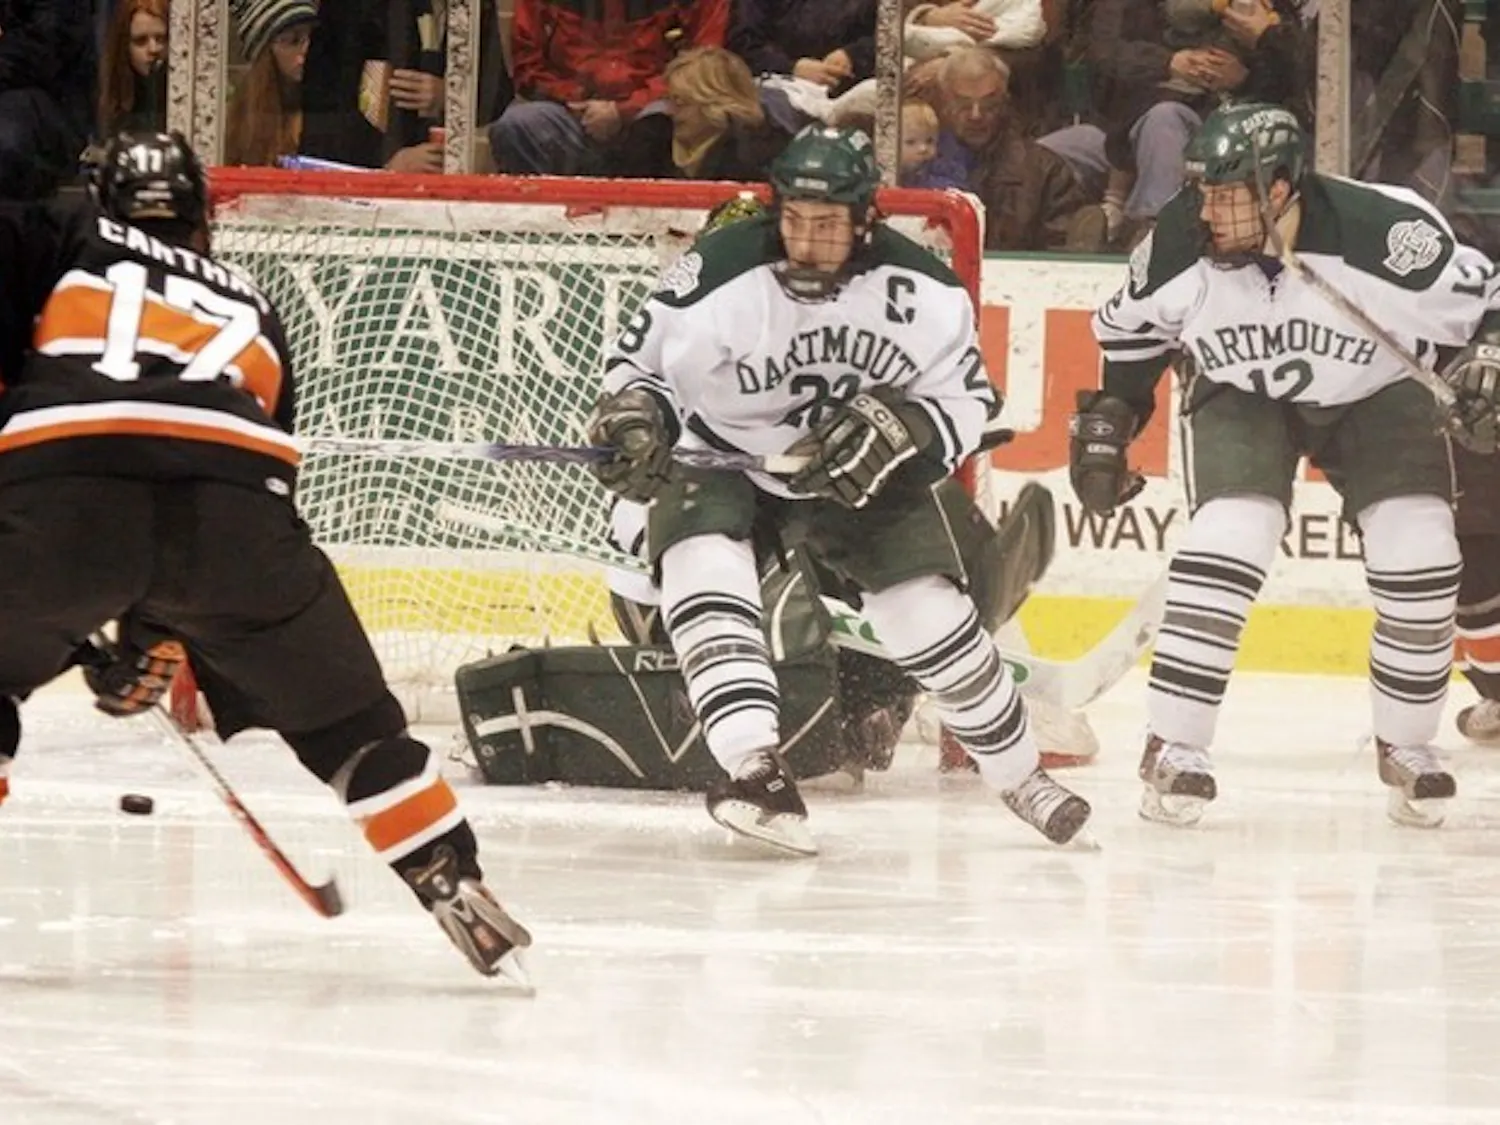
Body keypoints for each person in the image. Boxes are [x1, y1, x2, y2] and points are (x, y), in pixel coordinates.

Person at [0, 132, 531, 983]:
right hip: (238, 521)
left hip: (65, 492)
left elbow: (82, 449)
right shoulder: (250, 298)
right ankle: (447, 870)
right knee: (351, 729)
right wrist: (152, 635)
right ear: (204, 223)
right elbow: (232, 470)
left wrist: (70, 616)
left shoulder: (63, 234)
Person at [584, 124, 1092, 855]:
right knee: (704, 563)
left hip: (854, 468)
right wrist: (637, 419)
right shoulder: (718, 271)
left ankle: (1020, 776)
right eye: (794, 220)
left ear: (865, 221)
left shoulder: (926, 291)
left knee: (925, 613)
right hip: (721, 455)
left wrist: (905, 425)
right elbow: (637, 374)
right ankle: (754, 768)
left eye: (827, 225)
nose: (807, 240)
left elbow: (970, 404)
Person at [1071, 101, 1500, 830]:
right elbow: (1133, 333)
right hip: (1242, 393)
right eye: (1203, 191)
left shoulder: (1384, 233)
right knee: (1226, 543)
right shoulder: (1179, 238)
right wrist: (1114, 418)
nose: (1208, 212)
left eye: (1228, 197)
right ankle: (1173, 745)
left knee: (1420, 550)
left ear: (1279, 191)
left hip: (1377, 389)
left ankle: (1409, 745)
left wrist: (1489, 356)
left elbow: (1490, 297)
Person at [225, 0, 318, 167]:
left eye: (312, 39)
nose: (306, 50)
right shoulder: (242, 121)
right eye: (293, 40)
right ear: (266, 53)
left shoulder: (323, 111)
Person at [97, 0, 169, 137]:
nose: (153, 49)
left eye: (161, 39)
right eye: (140, 41)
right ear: (124, 46)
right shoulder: (108, 100)